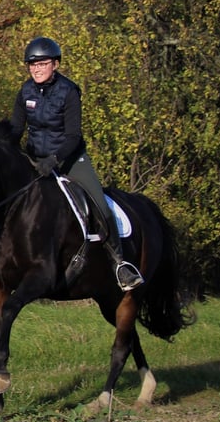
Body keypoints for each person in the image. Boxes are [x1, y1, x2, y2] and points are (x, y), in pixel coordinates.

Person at [9, 36, 144, 290]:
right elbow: (16, 129)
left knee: (100, 206)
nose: (36, 68)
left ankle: (120, 264)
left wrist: (54, 159)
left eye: (42, 63)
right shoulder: (25, 91)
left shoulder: (69, 91)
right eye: (32, 64)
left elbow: (73, 136)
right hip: (36, 161)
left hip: (70, 160)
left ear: (55, 64)